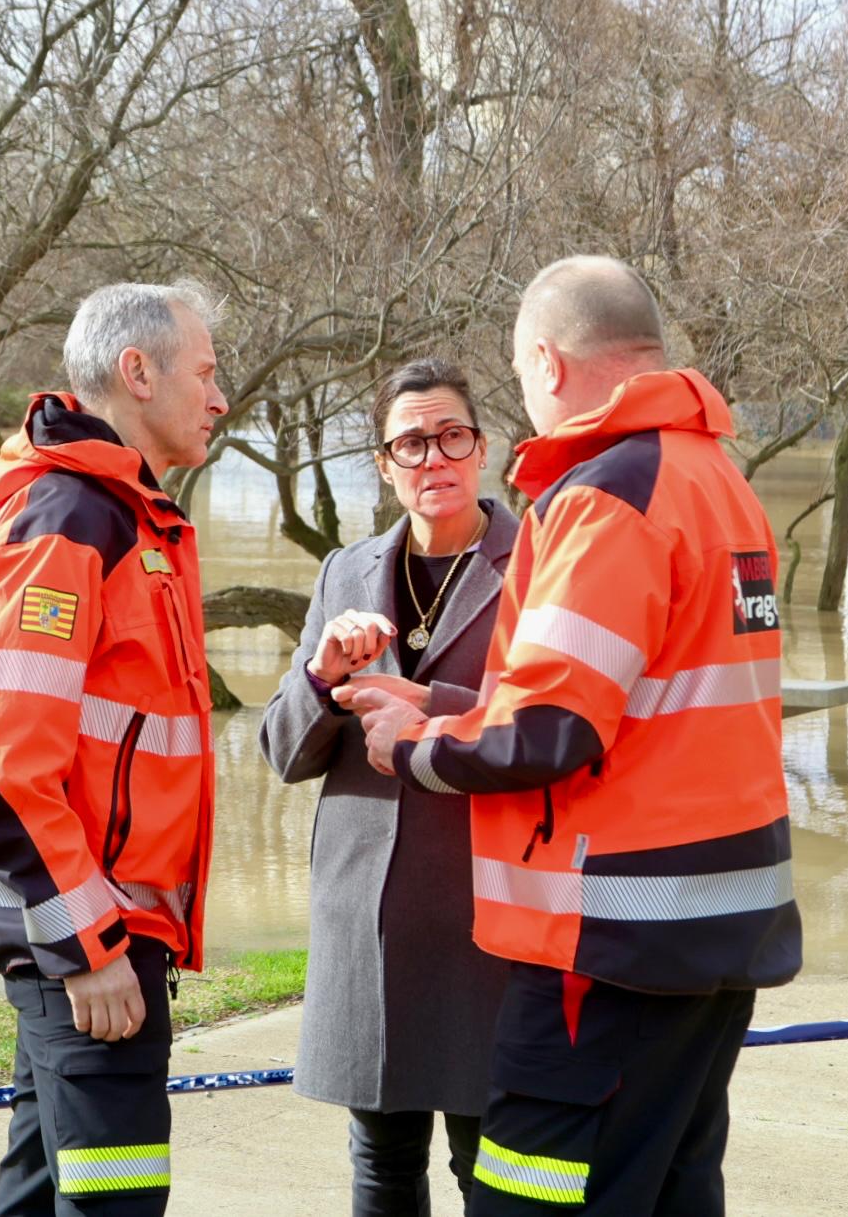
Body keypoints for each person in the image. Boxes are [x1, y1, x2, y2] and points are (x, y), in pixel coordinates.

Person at [342, 257, 800, 1216]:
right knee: (670, 1186)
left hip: (607, 943)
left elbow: (551, 729)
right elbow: (638, 708)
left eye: (516, 378)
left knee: (530, 1195)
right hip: (717, 929)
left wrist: (413, 750)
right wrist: (443, 710)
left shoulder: (602, 498)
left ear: (546, 364)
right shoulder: (717, 480)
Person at [0, 280, 228, 1217]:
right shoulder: (72, 521)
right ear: (136, 373)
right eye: (206, 372)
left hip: (102, 936)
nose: (220, 398)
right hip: (93, 944)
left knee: (40, 1195)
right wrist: (88, 945)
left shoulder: (128, 519)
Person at [259, 358, 516, 1217]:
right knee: (380, 1168)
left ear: (481, 449)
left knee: (498, 1174)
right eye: (410, 441)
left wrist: (428, 705)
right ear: (382, 461)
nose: (432, 457)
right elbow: (284, 753)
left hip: (489, 919)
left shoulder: (540, 562)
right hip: (366, 921)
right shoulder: (343, 570)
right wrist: (320, 677)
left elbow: (564, 726)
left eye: (451, 436)